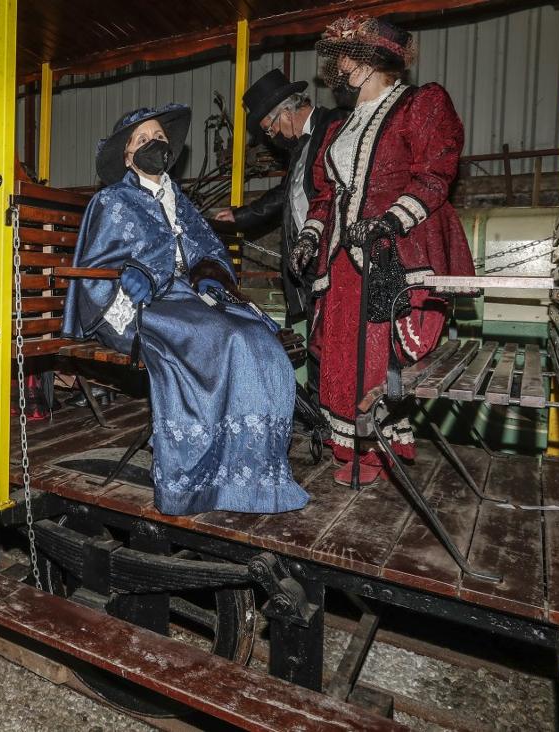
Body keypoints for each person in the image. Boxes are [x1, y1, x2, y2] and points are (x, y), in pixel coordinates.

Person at [64, 104, 309, 515]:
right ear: (127, 156)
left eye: (158, 137)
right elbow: (95, 266)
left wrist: (210, 274)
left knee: (257, 335)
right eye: (141, 141)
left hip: (188, 300)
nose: (152, 144)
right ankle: (197, 479)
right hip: (139, 306)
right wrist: (133, 274)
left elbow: (207, 250)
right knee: (226, 338)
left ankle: (253, 470)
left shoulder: (180, 200)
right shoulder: (112, 200)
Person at [294, 15, 474, 486]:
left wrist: (390, 221)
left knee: (376, 356)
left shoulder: (420, 104)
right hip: (340, 257)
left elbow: (435, 174)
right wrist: (311, 236)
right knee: (338, 356)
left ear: (374, 59)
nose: (342, 65)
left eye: (349, 56)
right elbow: (326, 194)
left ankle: (378, 454)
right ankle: (346, 450)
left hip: (390, 253)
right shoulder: (338, 128)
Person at [213, 69, 346, 388]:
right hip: (312, 265)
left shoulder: (335, 126)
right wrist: (240, 216)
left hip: (337, 258)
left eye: (269, 128)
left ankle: (332, 414)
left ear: (285, 112)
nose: (272, 135)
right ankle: (321, 414)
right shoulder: (301, 148)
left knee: (337, 344)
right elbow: (284, 194)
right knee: (319, 342)